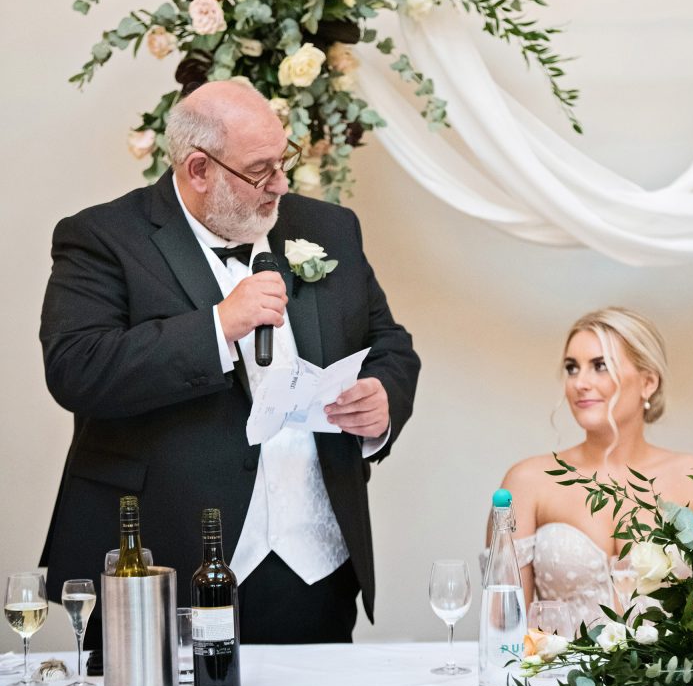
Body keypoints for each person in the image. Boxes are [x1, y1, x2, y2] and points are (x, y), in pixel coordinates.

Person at [40, 80, 419, 647]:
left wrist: (381, 400)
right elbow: (77, 367)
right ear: (199, 170)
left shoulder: (328, 228)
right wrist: (216, 327)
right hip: (161, 563)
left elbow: (390, 343)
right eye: (261, 170)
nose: (281, 184)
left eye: (283, 161)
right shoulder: (102, 237)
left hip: (311, 563)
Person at [490, 307, 693, 628]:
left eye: (600, 366)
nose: (580, 382)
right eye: (571, 368)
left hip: (674, 678)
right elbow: (503, 629)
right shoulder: (527, 482)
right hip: (555, 676)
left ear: (648, 382)